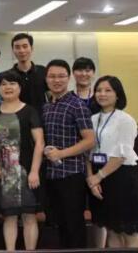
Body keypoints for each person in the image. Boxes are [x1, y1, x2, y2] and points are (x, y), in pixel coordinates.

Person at [0, 70, 45, 251]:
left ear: (20, 87)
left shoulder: (30, 111)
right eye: (3, 84)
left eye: (12, 83)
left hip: (27, 172)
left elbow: (39, 143)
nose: (8, 87)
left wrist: (34, 171)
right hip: (3, 174)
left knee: (29, 216)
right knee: (9, 217)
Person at [86, 76, 138, 248]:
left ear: (118, 94)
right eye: (98, 90)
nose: (102, 94)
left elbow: (121, 155)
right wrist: (92, 180)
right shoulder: (92, 119)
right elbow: (87, 151)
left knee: (129, 232)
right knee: (112, 230)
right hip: (98, 178)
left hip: (120, 177)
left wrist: (98, 176)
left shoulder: (125, 120)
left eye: (108, 90)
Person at [43, 59, 95, 249]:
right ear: (46, 79)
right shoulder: (47, 106)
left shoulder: (77, 105)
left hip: (72, 175)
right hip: (52, 175)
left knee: (74, 225)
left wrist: (61, 154)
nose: (56, 80)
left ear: (69, 78)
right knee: (61, 225)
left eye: (61, 76)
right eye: (52, 76)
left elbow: (90, 140)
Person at [11, 33, 47, 116]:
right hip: (17, 120)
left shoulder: (43, 71)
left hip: (41, 119)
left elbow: (51, 97)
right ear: (13, 50)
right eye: (17, 47)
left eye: (25, 46)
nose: (21, 50)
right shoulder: (9, 75)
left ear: (32, 48)